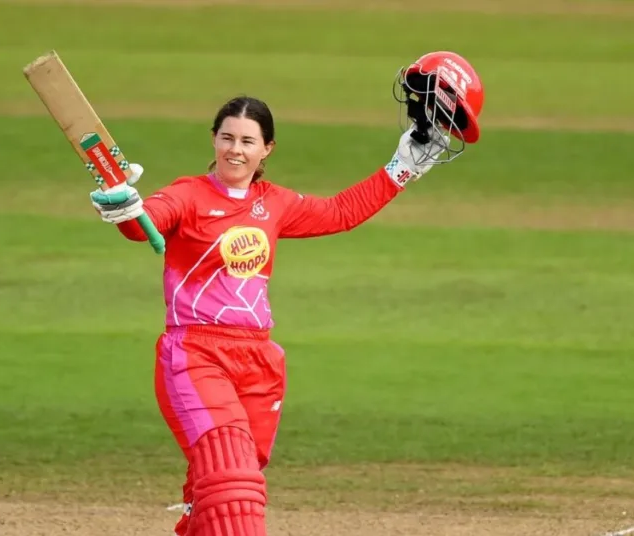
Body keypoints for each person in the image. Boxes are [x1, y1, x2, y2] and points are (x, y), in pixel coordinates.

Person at [89, 93, 456, 535]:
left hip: (259, 362)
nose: (235, 150)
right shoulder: (188, 194)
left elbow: (340, 212)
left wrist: (404, 166)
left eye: (247, 140)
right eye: (227, 138)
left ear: (267, 149)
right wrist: (124, 206)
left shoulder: (274, 203)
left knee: (218, 492)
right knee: (233, 483)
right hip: (197, 355)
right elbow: (144, 220)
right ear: (213, 140)